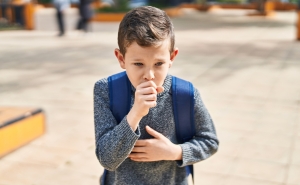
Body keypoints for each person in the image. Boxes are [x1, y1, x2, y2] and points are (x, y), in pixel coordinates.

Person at [93, 6, 219, 185]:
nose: (149, 75)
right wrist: (135, 114)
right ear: (121, 59)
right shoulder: (106, 90)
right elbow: (107, 159)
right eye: (138, 63)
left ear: (172, 57)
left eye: (159, 63)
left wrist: (175, 152)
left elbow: (209, 141)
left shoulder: (185, 94)